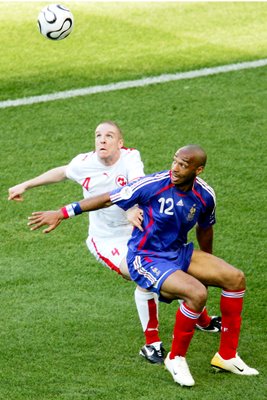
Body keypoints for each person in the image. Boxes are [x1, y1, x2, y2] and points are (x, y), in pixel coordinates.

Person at [27, 144, 259, 387]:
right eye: (175, 161)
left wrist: (208, 260)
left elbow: (205, 227)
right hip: (145, 256)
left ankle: (227, 356)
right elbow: (107, 199)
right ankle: (176, 358)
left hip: (177, 251)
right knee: (196, 293)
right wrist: (62, 213)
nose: (175, 168)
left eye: (183, 165)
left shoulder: (205, 195)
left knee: (235, 278)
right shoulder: (152, 184)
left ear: (198, 170)